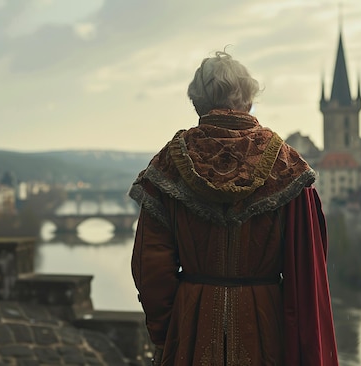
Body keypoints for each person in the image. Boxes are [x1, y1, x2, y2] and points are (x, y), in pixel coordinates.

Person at [129, 51, 338, 366]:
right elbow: (307, 272)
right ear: (249, 101)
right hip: (266, 328)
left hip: (192, 325)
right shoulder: (286, 165)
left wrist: (166, 334)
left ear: (197, 103)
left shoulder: (168, 164)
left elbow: (151, 271)